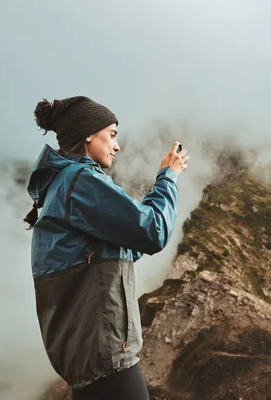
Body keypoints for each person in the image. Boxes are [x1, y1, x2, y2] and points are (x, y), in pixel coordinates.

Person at [24, 95, 189, 399]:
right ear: (88, 133)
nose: (117, 146)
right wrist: (168, 178)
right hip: (107, 359)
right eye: (112, 135)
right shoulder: (81, 180)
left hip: (85, 360)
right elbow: (153, 231)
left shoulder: (58, 186)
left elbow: (120, 248)